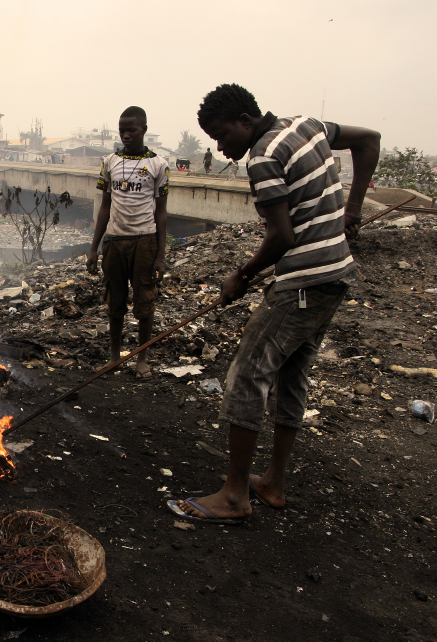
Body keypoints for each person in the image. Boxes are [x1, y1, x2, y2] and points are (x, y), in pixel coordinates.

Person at [168, 83, 380, 524]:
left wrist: (241, 276)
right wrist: (352, 207)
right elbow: (369, 140)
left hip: (303, 282)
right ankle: (273, 483)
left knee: (247, 374)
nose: (223, 149)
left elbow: (281, 237)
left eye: (223, 136)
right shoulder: (307, 124)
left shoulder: (263, 157)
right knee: (292, 374)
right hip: (336, 274)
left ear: (245, 121)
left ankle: (233, 496)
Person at [87, 106, 169, 380]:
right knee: (115, 302)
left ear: (144, 129)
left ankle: (142, 358)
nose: (125, 135)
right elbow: (104, 207)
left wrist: (160, 255)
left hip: (144, 241)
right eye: (122, 130)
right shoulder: (109, 162)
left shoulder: (158, 164)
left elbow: (161, 212)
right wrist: (93, 248)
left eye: (131, 130)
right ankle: (115, 356)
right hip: (114, 241)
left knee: (144, 302)